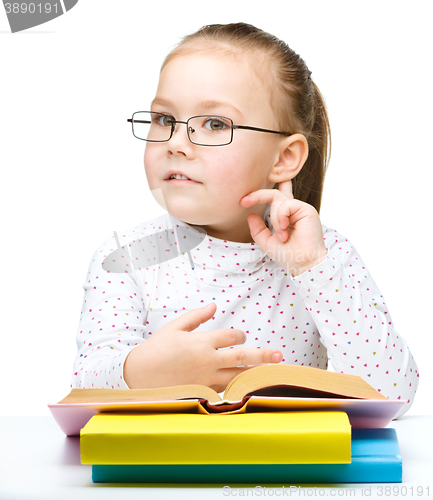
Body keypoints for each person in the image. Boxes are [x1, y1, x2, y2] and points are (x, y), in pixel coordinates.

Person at [72, 23, 419, 417]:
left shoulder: (324, 256)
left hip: (292, 474)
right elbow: (82, 390)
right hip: (161, 475)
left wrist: (311, 268)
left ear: (284, 158)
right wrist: (144, 371)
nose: (176, 143)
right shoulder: (125, 257)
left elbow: (393, 395)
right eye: (165, 119)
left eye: (215, 124)